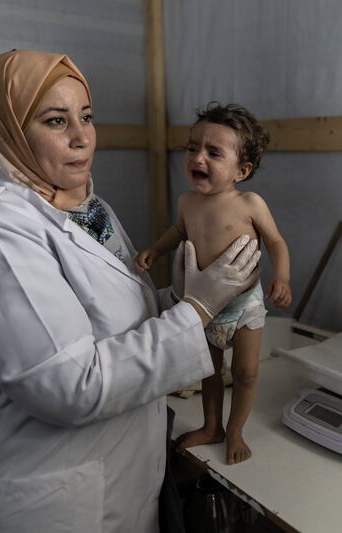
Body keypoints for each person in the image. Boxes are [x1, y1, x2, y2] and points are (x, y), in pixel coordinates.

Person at [0, 49, 260, 533]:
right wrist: (196, 309)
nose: (81, 137)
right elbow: (69, 387)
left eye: (86, 116)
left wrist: (183, 297)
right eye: (56, 121)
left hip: (115, 484)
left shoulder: (86, 211)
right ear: (7, 130)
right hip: (37, 502)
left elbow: (117, 319)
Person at [135, 103, 291, 465]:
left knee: (246, 372)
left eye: (213, 152)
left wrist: (281, 276)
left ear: (242, 169)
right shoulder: (187, 201)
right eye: (192, 148)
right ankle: (212, 427)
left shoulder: (249, 203)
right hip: (201, 302)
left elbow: (276, 242)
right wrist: (156, 250)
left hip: (241, 304)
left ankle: (235, 430)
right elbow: (178, 232)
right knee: (209, 371)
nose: (198, 158)